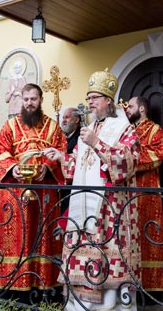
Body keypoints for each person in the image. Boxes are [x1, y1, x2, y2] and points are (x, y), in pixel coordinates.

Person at [44, 68, 141, 311]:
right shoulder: (90, 128)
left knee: (108, 254)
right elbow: (78, 165)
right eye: (88, 98)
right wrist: (61, 157)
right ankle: (80, 305)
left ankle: (111, 306)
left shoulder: (123, 128)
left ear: (108, 100)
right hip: (84, 205)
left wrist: (97, 144)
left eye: (95, 97)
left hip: (110, 207)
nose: (90, 102)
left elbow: (128, 161)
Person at [0, 83, 66, 303]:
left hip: (44, 194)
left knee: (43, 238)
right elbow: (0, 150)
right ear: (21, 100)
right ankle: (12, 291)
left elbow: (62, 153)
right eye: (26, 99)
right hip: (15, 195)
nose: (29, 103)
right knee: (17, 240)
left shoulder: (53, 127)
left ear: (41, 100)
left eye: (33, 99)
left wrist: (48, 167)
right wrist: (13, 167)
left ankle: (45, 290)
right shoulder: (10, 125)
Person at [125, 96, 163, 296]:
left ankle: (152, 289)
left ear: (141, 109)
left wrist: (127, 160)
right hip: (127, 192)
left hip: (147, 192)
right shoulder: (126, 131)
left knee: (149, 235)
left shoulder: (155, 130)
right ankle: (129, 285)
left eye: (131, 106)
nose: (127, 109)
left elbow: (155, 157)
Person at [60, 107, 82, 212]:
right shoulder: (60, 136)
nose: (63, 120)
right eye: (63, 117)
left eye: (67, 117)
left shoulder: (82, 136)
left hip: (73, 185)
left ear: (76, 120)